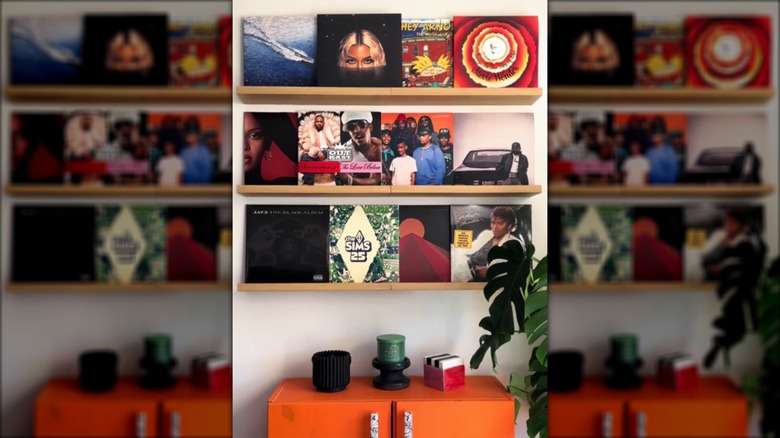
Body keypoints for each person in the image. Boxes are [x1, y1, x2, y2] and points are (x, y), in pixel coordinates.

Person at [702, 208, 767, 369]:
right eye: (725, 222)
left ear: (741, 225)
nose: (727, 226)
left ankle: (720, 343)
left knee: (742, 326)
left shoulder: (745, 242)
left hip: (740, 290)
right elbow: (723, 264)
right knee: (739, 326)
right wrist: (718, 271)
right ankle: (721, 342)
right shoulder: (727, 244)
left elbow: (753, 267)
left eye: (731, 223)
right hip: (729, 290)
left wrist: (747, 286)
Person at [467, 207, 526, 281]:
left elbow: (518, 270)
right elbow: (470, 249)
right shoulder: (486, 234)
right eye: (493, 222)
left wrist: (491, 272)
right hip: (467, 273)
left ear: (509, 226)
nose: (495, 227)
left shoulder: (515, 244)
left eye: (500, 223)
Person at [243, 112, 299, 185]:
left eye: (254, 135)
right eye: (235, 135)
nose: (244, 146)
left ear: (267, 142)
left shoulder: (286, 186)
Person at [338, 111, 382, 185]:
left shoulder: (378, 147)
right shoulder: (345, 151)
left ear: (370, 127)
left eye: (362, 124)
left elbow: (375, 180)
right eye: (351, 127)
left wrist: (349, 180)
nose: (357, 130)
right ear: (349, 132)